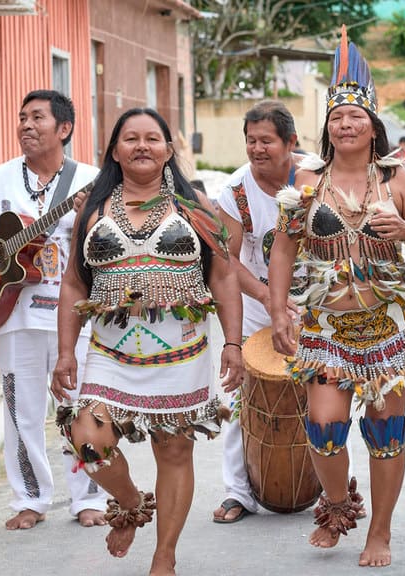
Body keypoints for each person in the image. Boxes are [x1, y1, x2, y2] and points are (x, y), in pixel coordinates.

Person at [268, 26, 405, 568]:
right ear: (328, 128)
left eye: (356, 118)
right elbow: (283, 247)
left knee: (385, 433)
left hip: (389, 324)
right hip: (325, 325)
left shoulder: (401, 179)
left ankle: (381, 533)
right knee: (323, 429)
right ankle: (339, 503)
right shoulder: (305, 179)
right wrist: (279, 309)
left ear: (373, 127)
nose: (346, 125)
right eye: (337, 118)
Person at [51, 108, 244, 575]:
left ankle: (164, 556)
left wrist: (233, 344)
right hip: (110, 353)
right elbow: (75, 285)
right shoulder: (93, 211)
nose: (142, 146)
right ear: (114, 150)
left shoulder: (195, 205)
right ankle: (133, 502)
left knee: (174, 450)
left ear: (168, 149)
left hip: (182, 350)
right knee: (88, 440)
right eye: (130, 138)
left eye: (152, 138)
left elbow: (223, 277)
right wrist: (63, 352)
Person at [0, 89, 107, 530]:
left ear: (64, 129)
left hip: (78, 318)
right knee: (20, 413)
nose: (26, 125)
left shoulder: (92, 181)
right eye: (22, 118)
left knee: (84, 410)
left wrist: (91, 219)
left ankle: (89, 499)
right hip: (15, 317)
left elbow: (114, 242)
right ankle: (30, 500)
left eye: (37, 118)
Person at [209, 100, 365, 524]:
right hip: (260, 307)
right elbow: (226, 259)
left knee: (328, 401)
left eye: (266, 140)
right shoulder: (236, 191)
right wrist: (267, 298)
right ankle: (238, 491)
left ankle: (336, 490)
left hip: (322, 307)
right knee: (245, 395)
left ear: (291, 142)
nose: (257, 149)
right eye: (250, 141)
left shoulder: (317, 175)